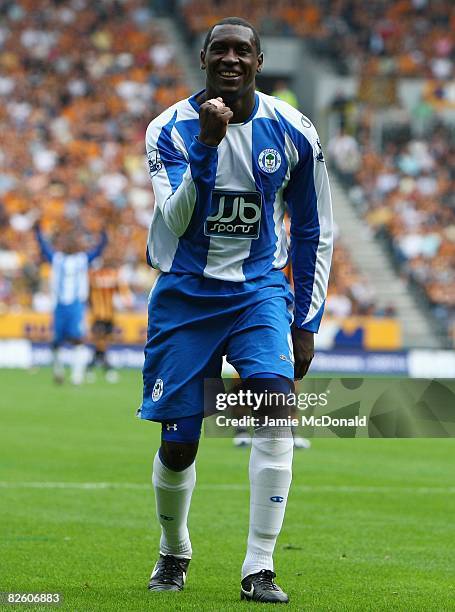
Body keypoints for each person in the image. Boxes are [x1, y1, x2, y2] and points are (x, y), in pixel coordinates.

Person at [139, 17, 333, 604]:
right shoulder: (167, 130)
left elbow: (315, 231)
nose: (230, 59)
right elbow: (175, 220)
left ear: (259, 60)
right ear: (202, 58)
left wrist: (306, 321)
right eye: (219, 50)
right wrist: (208, 145)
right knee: (180, 443)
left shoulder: (293, 130)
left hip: (257, 293)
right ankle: (174, 552)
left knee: (275, 410)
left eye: (241, 51)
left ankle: (260, 567)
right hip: (185, 295)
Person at [34, 223, 107, 385]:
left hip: (76, 306)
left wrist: (104, 235)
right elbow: (43, 248)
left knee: (77, 339)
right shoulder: (57, 259)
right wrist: (37, 232)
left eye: (72, 242)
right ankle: (58, 371)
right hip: (59, 305)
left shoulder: (82, 259)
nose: (69, 244)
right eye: (67, 242)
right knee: (56, 341)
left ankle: (77, 375)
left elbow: (98, 251)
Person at [87, 256, 131, 383]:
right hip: (99, 315)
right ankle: (107, 369)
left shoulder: (96, 276)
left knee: (103, 342)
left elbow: (121, 289)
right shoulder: (102, 275)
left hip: (107, 314)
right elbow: (122, 290)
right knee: (101, 342)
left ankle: (90, 368)